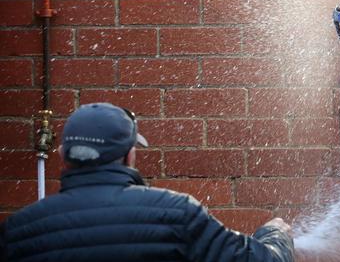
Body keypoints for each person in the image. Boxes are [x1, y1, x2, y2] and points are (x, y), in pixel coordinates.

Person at [0, 102, 294, 262]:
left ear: (64, 157)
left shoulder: (17, 233)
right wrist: (274, 236)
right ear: (130, 156)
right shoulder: (177, 214)